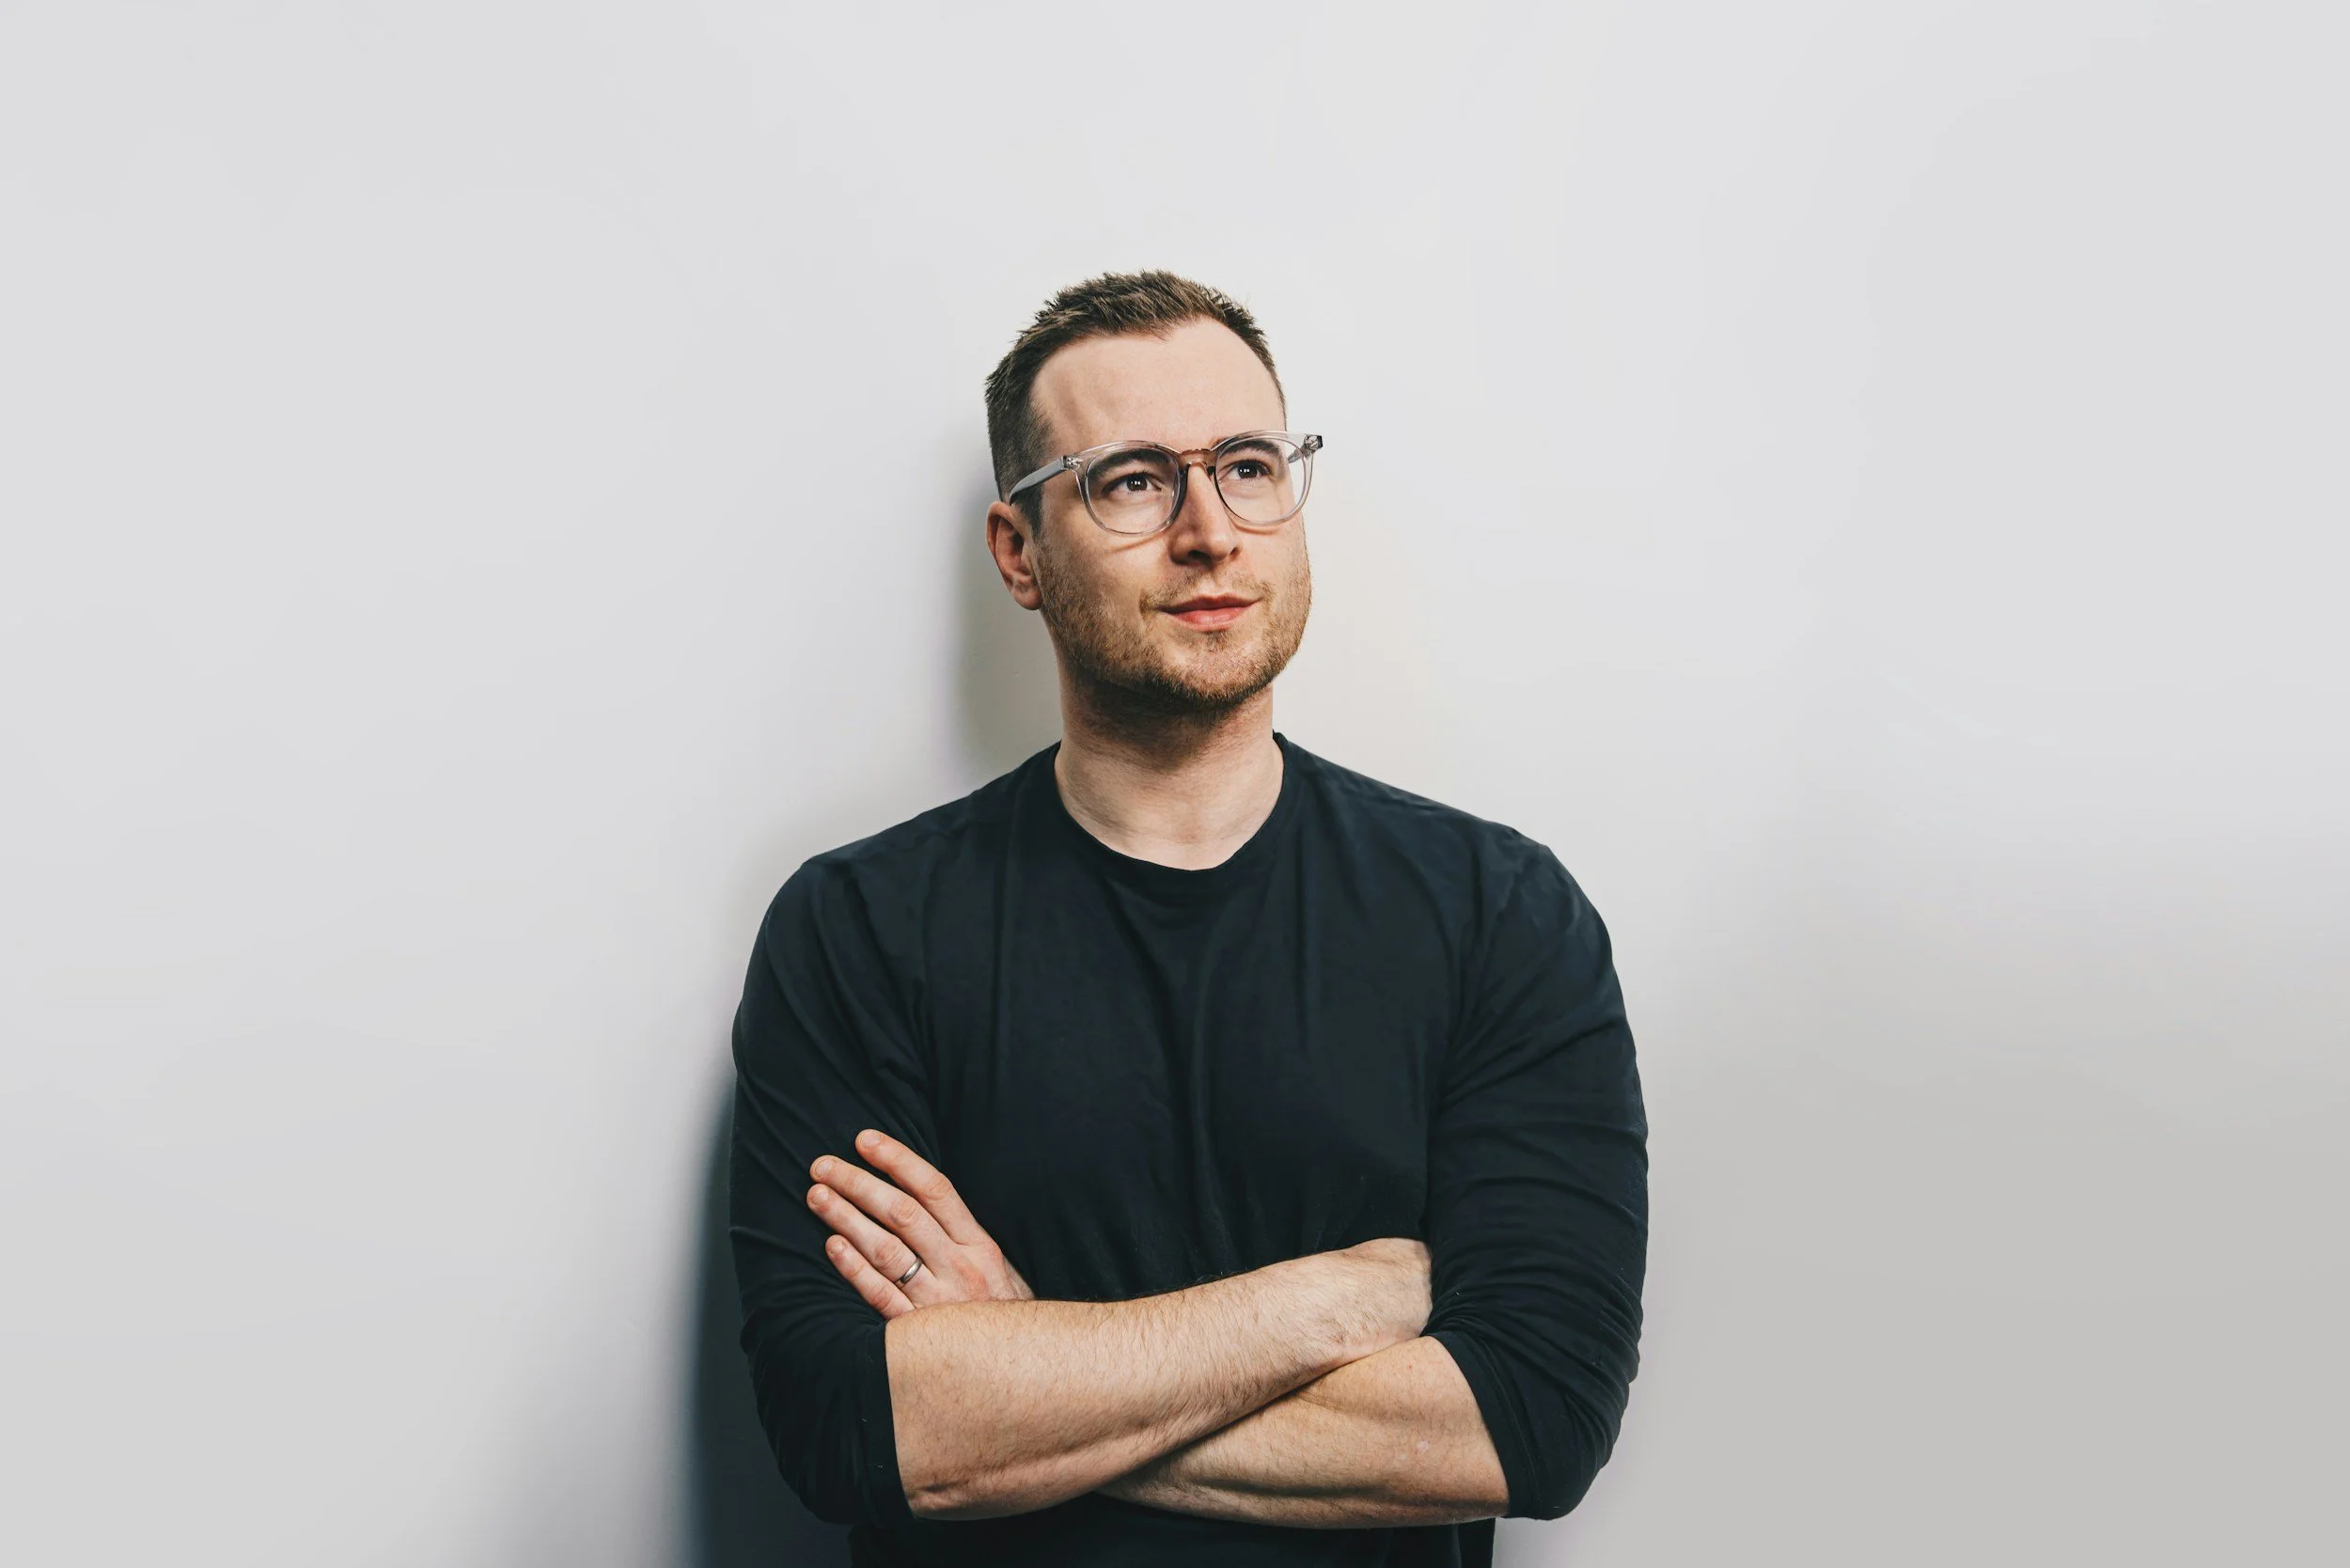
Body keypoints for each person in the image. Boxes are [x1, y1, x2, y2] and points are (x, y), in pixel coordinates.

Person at [727, 271, 1647, 1567]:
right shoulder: (861, 930)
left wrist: (1026, 1368)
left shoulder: (1500, 915)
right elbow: (851, 1433)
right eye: (1134, 480)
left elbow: (1531, 1425)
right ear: (1018, 552)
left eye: (1251, 466)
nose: (1211, 531)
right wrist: (1337, 1301)